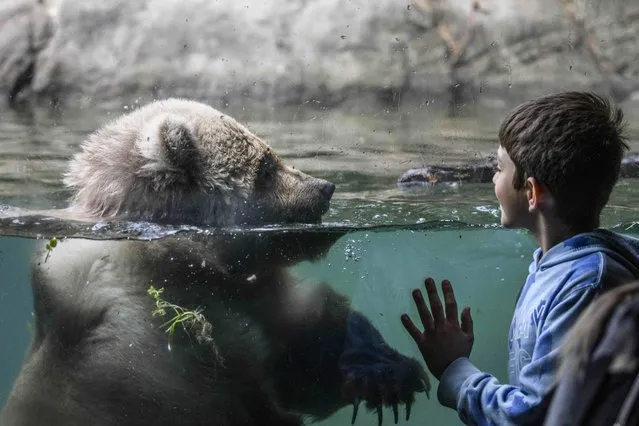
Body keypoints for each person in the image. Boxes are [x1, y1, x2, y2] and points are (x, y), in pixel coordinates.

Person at [400, 91, 639, 425]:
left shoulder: (586, 286)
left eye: (499, 168)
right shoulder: (558, 266)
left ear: (532, 192)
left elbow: (535, 417)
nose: (494, 179)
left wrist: (456, 370)